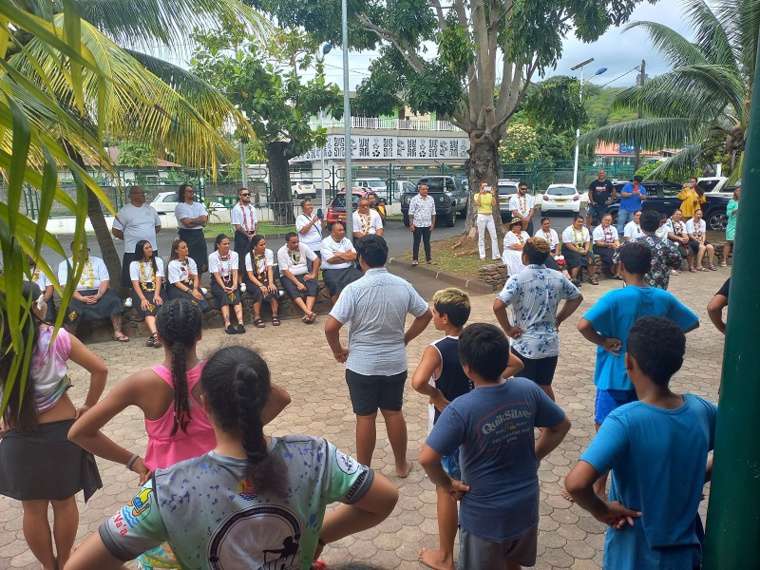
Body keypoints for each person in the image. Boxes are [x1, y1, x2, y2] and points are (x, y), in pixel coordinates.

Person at [67, 345, 398, 570]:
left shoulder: (168, 489)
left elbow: (79, 565)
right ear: (265, 397)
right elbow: (385, 498)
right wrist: (323, 534)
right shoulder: (316, 456)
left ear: (206, 405)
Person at [68, 303, 295, 570]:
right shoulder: (219, 374)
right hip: (223, 485)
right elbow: (281, 397)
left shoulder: (141, 383)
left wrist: (134, 461)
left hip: (167, 494)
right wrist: (243, 429)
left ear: (159, 336)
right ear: (199, 334)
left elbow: (79, 432)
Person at [565, 316, 717, 570]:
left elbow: (576, 483)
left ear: (628, 361)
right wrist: (695, 479)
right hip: (687, 552)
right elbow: (731, 452)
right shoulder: (703, 410)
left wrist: (601, 510)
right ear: (679, 363)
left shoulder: (624, 420)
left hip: (633, 552)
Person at [420, 323, 571, 570]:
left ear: (467, 368)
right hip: (526, 506)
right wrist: (536, 455)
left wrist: (448, 484)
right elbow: (561, 426)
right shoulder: (527, 389)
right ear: (505, 359)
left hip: (484, 517)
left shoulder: (460, 409)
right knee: (514, 564)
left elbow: (427, 459)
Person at [573, 242, 699, 499]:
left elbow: (583, 325)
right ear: (650, 266)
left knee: (606, 431)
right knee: (642, 428)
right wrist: (662, 339)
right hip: (650, 380)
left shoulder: (614, 297)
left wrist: (604, 342)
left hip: (615, 376)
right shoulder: (664, 297)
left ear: (619, 266)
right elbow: (693, 322)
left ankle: (597, 486)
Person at [412, 289, 524, 570]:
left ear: (444, 317)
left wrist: (436, 396)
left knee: (447, 491)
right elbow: (518, 363)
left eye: (435, 312)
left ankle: (447, 557)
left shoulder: (437, 348)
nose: (434, 316)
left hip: (448, 432)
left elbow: (417, 382)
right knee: (475, 484)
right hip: (482, 427)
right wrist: (491, 380)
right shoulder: (477, 341)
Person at [0, 282, 107, 570]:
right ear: (37, 306)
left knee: (32, 510)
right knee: (64, 501)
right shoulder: (56, 337)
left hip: (17, 437)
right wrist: (89, 406)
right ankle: (65, 564)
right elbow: (100, 369)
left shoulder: (2, 342)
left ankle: (49, 567)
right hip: (62, 433)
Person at [325, 235, 432, 476]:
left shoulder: (353, 289)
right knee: (393, 412)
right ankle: (401, 466)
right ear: (384, 256)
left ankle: (364, 472)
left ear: (360, 259)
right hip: (394, 362)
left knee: (365, 417)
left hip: (361, 365)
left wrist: (337, 350)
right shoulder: (403, 285)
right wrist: (405, 338)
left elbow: (330, 327)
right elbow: (426, 315)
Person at [494, 238, 583, 400]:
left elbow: (498, 306)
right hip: (550, 343)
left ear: (525, 257)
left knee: (525, 388)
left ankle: (530, 421)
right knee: (545, 385)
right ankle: (552, 421)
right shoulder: (558, 277)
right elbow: (577, 297)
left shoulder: (517, 279)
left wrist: (507, 329)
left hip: (525, 344)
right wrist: (559, 319)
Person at [58, 242, 129, 341]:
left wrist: (99, 295)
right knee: (70, 307)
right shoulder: (64, 265)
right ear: (73, 252)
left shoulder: (98, 261)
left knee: (114, 299)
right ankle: (71, 338)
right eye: (81, 251)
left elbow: (105, 280)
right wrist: (81, 298)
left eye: (86, 250)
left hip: (98, 292)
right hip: (77, 294)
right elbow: (65, 285)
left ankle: (117, 331)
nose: (85, 253)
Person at [112, 185, 162, 288]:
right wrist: (131, 237)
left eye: (143, 193)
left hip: (151, 248)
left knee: (152, 273)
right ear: (131, 195)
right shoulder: (125, 211)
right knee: (133, 275)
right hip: (132, 250)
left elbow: (158, 226)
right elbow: (116, 230)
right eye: (140, 193)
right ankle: (132, 296)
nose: (143, 195)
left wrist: (148, 235)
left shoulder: (151, 209)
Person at [129, 239, 166, 348]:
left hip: (156, 289)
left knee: (159, 306)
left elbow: (159, 279)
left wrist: (157, 294)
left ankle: (154, 336)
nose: (150, 250)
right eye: (147, 248)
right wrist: (143, 299)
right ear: (141, 251)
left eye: (150, 247)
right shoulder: (134, 264)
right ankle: (156, 335)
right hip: (141, 290)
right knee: (147, 308)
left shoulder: (157, 260)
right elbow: (135, 284)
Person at [278, 232, 320, 324]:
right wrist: (298, 283)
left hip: (304, 274)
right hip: (288, 276)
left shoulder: (303, 246)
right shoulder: (281, 252)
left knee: (313, 284)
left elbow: (316, 259)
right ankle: (308, 312)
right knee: (291, 288)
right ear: (287, 242)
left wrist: (313, 274)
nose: (296, 244)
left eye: (297, 241)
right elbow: (285, 271)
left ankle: (307, 313)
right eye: (293, 243)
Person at [208, 234, 245, 334]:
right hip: (218, 282)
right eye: (224, 244)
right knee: (225, 295)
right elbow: (216, 274)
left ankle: (240, 323)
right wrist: (224, 287)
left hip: (231, 280)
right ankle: (227, 324)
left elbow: (235, 271)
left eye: (228, 243)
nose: (227, 246)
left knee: (235, 295)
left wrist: (235, 285)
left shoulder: (234, 255)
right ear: (218, 245)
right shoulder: (212, 256)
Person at [320, 222, 362, 303]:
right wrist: (347, 256)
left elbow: (354, 256)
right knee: (335, 283)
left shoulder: (347, 241)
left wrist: (338, 254)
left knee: (361, 278)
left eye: (343, 230)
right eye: (339, 230)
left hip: (348, 269)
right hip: (331, 271)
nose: (342, 232)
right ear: (333, 232)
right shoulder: (326, 242)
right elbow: (331, 260)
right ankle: (337, 309)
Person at [245, 235, 281, 328]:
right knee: (258, 291)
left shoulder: (269, 252)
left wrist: (271, 283)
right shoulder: (249, 256)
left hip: (266, 276)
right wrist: (260, 285)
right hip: (254, 279)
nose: (264, 246)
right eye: (261, 245)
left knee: (273, 289)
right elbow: (250, 275)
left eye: (264, 244)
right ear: (255, 246)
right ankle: (257, 317)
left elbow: (270, 269)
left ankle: (275, 314)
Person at [166, 238, 209, 311]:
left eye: (186, 246)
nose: (186, 249)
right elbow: (177, 283)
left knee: (200, 296)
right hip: (177, 288)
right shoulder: (172, 264)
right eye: (183, 248)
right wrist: (191, 292)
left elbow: (195, 278)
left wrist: (195, 289)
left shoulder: (190, 260)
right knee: (192, 299)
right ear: (176, 251)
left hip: (190, 284)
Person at [174, 183, 208, 275]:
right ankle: (190, 282)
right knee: (189, 258)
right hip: (187, 235)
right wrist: (198, 221)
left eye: (193, 191)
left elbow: (204, 221)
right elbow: (186, 223)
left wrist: (191, 220)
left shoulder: (199, 205)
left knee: (201, 259)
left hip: (199, 235)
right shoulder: (180, 206)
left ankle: (199, 284)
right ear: (183, 193)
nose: (192, 193)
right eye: (189, 191)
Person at [562, 215, 600, 286]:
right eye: (578, 222)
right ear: (574, 222)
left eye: (582, 222)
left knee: (590, 258)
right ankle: (574, 279)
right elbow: (568, 244)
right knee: (577, 258)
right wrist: (578, 251)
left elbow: (588, 242)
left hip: (582, 247)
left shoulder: (585, 230)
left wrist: (586, 250)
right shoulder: (568, 230)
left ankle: (592, 277)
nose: (580, 223)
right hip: (570, 249)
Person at [408, 182, 437, 266]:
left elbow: (433, 212)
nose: (425, 191)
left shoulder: (430, 199)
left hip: (427, 224)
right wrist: (411, 224)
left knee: (427, 242)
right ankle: (415, 259)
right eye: (423, 189)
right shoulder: (415, 199)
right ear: (419, 190)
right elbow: (411, 212)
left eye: (426, 189)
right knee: (416, 242)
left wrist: (433, 223)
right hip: (417, 224)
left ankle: (429, 258)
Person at [230, 187, 257, 272]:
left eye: (249, 194)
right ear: (239, 196)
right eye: (245, 195)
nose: (248, 196)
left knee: (253, 255)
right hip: (242, 236)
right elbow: (238, 226)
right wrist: (248, 235)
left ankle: (252, 275)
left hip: (252, 234)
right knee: (242, 257)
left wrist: (254, 234)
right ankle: (241, 278)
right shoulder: (236, 209)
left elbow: (256, 222)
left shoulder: (252, 208)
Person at [474, 181, 501, 261]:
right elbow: (478, 204)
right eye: (483, 187)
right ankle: (482, 255)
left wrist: (493, 195)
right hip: (481, 216)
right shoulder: (476, 195)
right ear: (480, 187)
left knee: (494, 236)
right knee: (481, 236)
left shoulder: (489, 195)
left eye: (486, 186)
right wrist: (480, 193)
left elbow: (494, 203)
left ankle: (496, 255)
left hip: (489, 216)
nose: (484, 188)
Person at [592, 214, 622, 279]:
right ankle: (612, 272)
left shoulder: (613, 228)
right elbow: (598, 243)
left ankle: (618, 273)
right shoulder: (597, 229)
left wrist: (618, 246)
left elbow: (616, 240)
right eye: (605, 220)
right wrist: (609, 244)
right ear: (602, 220)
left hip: (611, 245)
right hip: (599, 247)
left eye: (609, 220)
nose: (607, 221)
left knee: (620, 252)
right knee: (611, 254)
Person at [28, 255, 56, 321]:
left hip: (43, 297)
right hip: (26, 298)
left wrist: (40, 303)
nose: (31, 258)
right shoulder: (17, 269)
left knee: (48, 318)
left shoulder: (45, 267)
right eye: (27, 256)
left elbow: (50, 288)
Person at [722, 183, 740, 267]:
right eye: (737, 191)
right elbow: (728, 213)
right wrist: (736, 210)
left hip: (741, 225)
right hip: (732, 224)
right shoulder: (732, 201)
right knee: (729, 241)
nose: (739, 192)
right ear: (735, 192)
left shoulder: (745, 201)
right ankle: (724, 260)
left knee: (739, 242)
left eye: (740, 190)